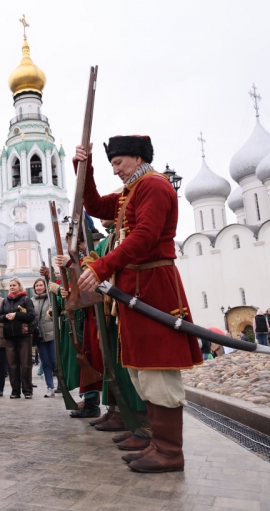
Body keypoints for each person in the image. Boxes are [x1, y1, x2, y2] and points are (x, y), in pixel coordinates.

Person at [74, 136, 203, 473]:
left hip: (154, 288)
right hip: (136, 289)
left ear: (137, 158)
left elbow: (144, 236)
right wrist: (84, 170)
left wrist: (101, 267)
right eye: (111, 164)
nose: (115, 170)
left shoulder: (154, 186)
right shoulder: (133, 190)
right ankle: (157, 444)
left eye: (118, 163)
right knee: (143, 371)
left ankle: (170, 451)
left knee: (158, 370)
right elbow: (96, 206)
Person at [0, 278, 36, 400]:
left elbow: (31, 316)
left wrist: (16, 315)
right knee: (12, 365)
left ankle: (27, 391)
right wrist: (6, 316)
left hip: (24, 336)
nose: (12, 287)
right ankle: (15, 391)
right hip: (9, 337)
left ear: (19, 286)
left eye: (14, 285)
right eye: (10, 285)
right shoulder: (5, 301)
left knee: (26, 365)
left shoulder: (26, 299)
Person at [32, 278, 57, 398]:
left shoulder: (51, 298)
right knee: (45, 362)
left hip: (52, 334)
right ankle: (50, 387)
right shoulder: (31, 301)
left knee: (55, 362)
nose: (38, 287)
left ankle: (62, 385)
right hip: (40, 336)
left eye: (41, 285)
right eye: (36, 286)